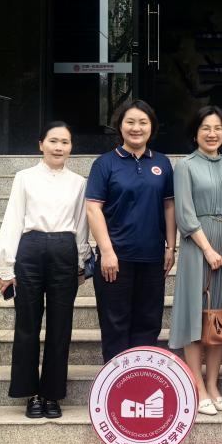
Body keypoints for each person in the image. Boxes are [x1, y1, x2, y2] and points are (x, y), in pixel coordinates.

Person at [0, 120, 91, 419]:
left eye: (65, 142)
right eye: (53, 141)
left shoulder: (79, 182)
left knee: (60, 326)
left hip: (64, 250)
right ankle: (30, 393)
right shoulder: (24, 178)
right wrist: (6, 267)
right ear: (41, 144)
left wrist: (81, 261)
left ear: (71, 147)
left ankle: (52, 394)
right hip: (31, 249)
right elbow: (13, 219)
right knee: (27, 324)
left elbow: (82, 225)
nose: (59, 147)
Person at [86, 100, 176, 362]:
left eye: (143, 122)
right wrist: (106, 251)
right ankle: (117, 381)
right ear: (120, 126)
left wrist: (170, 247)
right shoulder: (105, 163)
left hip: (152, 258)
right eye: (130, 122)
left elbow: (169, 206)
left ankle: (141, 377)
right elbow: (93, 209)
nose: (136, 128)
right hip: (116, 259)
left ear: (152, 127)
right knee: (115, 325)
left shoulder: (162, 163)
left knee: (148, 323)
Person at [168, 106, 222, 415]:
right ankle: (197, 388)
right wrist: (208, 250)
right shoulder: (185, 166)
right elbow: (185, 213)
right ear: (195, 132)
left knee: (221, 317)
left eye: (217, 128)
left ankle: (214, 386)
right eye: (205, 128)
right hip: (197, 248)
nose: (212, 134)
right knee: (195, 316)